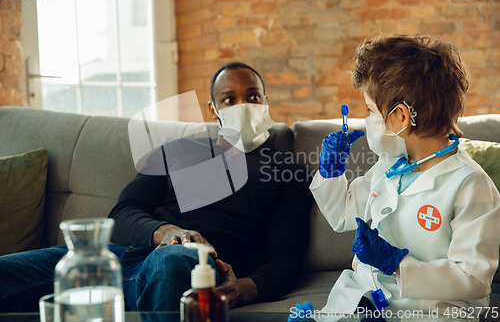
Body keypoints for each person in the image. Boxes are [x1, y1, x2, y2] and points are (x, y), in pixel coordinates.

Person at [0, 62, 313, 312]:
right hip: (117, 257)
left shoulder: (287, 171)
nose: (243, 105)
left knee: (177, 260)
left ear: (266, 101)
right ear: (213, 109)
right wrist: (165, 231)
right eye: (229, 99)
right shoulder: (177, 149)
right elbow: (122, 213)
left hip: (190, 266)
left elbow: (285, 258)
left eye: (253, 96)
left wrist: (241, 289)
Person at [310, 35, 500, 317]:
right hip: (369, 299)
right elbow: (343, 215)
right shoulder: (393, 164)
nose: (368, 121)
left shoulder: (471, 184)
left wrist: (396, 263)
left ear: (401, 117)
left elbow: (473, 280)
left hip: (432, 311)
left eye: (371, 111)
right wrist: (331, 172)